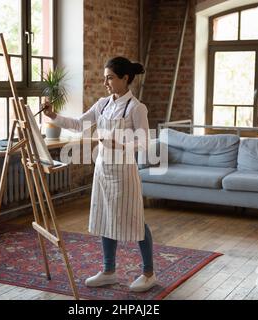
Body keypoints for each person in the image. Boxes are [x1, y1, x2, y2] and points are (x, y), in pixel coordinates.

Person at [41, 56, 156, 292]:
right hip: (103, 170)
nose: (106, 83)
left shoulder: (136, 107)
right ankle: (108, 271)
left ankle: (148, 273)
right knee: (105, 219)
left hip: (124, 172)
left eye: (110, 78)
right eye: (105, 78)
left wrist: (121, 144)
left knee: (134, 220)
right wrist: (53, 115)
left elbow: (144, 141)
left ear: (125, 78)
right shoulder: (102, 104)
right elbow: (78, 124)